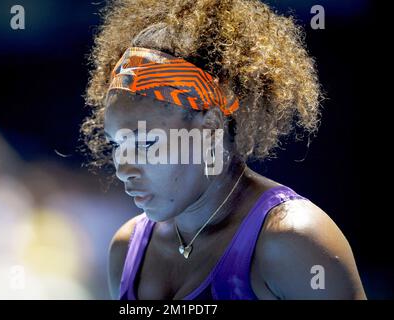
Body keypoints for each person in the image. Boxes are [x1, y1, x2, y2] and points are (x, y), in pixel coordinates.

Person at [81, 0, 366, 300]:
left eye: (145, 143)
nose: (123, 167)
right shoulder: (126, 250)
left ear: (210, 125)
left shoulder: (294, 240)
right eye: (117, 144)